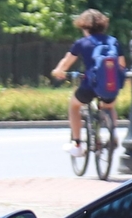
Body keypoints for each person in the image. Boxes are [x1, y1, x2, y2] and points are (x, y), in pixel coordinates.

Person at [50, 10, 117, 144]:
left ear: (84, 26)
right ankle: (113, 136)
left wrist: (58, 71)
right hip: (111, 85)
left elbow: (66, 62)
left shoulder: (82, 43)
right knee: (108, 106)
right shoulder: (112, 41)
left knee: (74, 106)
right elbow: (121, 65)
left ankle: (77, 143)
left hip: (90, 85)